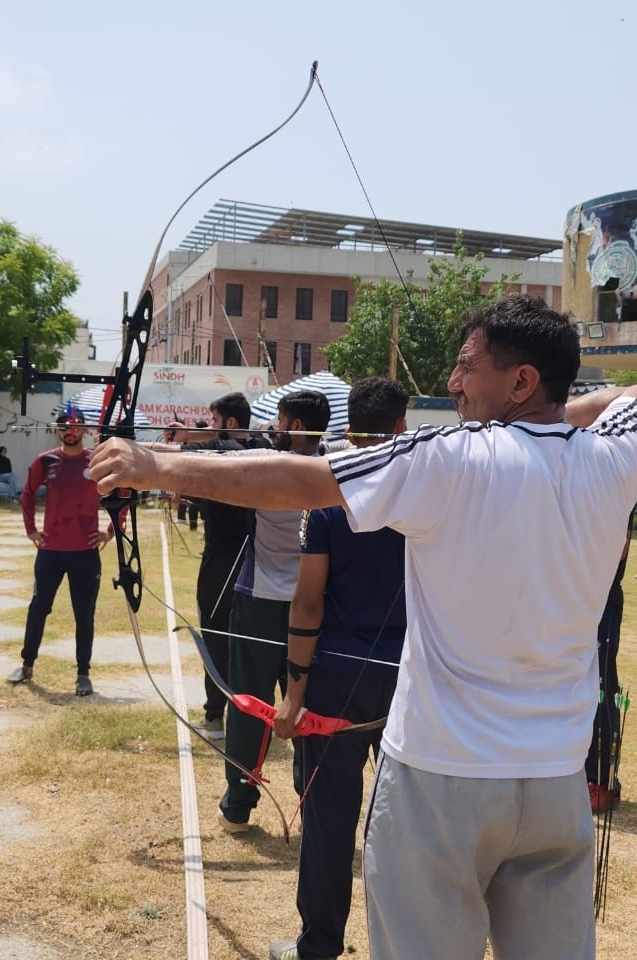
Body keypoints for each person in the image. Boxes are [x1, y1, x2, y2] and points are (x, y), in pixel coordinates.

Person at [90, 294, 637, 960]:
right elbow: (622, 397)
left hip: (442, 780)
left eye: (468, 366)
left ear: (522, 380)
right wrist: (550, 422)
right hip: (555, 784)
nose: (452, 382)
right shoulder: (616, 457)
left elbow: (303, 481)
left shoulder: (448, 459)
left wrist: (155, 466)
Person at [270, 377, 409, 960]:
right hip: (409, 675)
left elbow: (308, 601)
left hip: (337, 676)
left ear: (347, 430)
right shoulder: (427, 489)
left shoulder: (330, 495)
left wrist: (293, 693)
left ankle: (319, 947)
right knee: (406, 821)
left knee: (330, 818)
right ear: (401, 427)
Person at [221, 390, 330, 831]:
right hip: (315, 605)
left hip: (262, 602)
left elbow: (214, 460)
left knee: (249, 701)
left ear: (297, 426)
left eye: (281, 422)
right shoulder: (336, 465)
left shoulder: (266, 465)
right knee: (310, 707)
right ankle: (314, 804)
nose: (274, 429)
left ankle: (238, 804)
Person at [178, 393, 270, 740]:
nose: (212, 427)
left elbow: (186, 455)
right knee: (251, 640)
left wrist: (186, 438)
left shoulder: (221, 451)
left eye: (216, 421)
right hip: (258, 564)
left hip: (222, 563)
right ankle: (254, 715)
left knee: (216, 637)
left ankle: (215, 716)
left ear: (231, 423)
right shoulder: (264, 448)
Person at [8, 409, 113, 696]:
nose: (70, 431)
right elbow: (28, 494)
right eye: (64, 427)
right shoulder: (45, 461)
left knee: (84, 614)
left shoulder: (96, 461)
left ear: (85, 430)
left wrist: (109, 532)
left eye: (75, 426)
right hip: (51, 551)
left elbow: (122, 495)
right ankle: (27, 665)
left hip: (85, 553)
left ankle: (83, 674)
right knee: (38, 608)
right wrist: (31, 530)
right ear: (57, 430)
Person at [586, 509, 633, 812]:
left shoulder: (615, 490)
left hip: (602, 597)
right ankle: (590, 776)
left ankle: (601, 780)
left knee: (602, 686)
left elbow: (620, 547)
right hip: (581, 595)